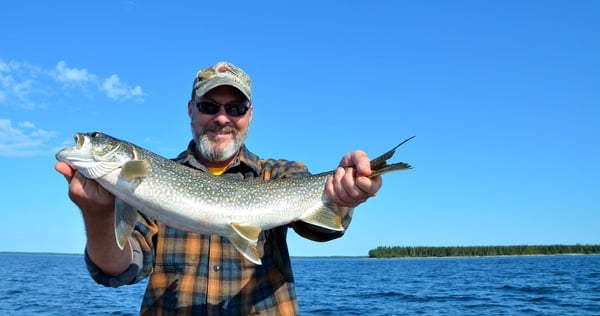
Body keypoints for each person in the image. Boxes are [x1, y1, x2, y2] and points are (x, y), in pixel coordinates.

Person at [55, 61, 383, 315]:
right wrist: (97, 214)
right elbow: (120, 270)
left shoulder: (280, 173)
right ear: (191, 110)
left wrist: (345, 195)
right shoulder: (141, 184)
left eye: (235, 108)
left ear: (250, 116)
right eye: (210, 106)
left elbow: (320, 227)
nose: (222, 118)